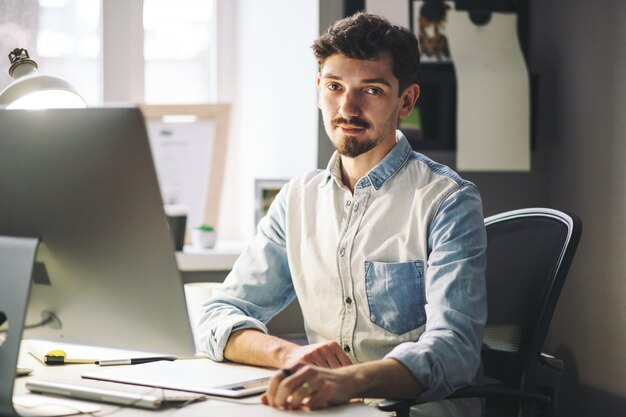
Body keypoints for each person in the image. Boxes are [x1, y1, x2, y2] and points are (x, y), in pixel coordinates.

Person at [197, 11, 487, 415]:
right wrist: (289, 357)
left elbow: (455, 350)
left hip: (414, 408)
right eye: (334, 86)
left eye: (370, 90)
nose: (346, 107)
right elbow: (217, 316)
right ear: (318, 89)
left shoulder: (447, 200)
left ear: (406, 100)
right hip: (326, 406)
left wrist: (347, 381)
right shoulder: (297, 199)